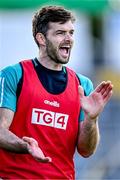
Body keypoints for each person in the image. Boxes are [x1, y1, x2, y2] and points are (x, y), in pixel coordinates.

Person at [0, 5, 113, 179]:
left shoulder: (83, 85)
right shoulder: (14, 75)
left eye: (71, 33)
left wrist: (91, 119)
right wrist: (25, 146)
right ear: (41, 39)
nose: (69, 39)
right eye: (60, 33)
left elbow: (86, 150)